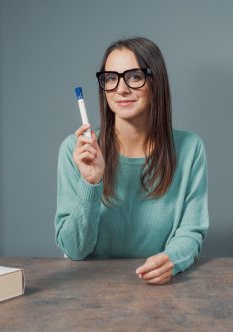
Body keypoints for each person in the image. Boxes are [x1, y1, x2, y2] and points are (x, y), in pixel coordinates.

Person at [55, 37, 209, 285]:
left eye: (134, 76)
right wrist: (91, 183)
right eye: (111, 78)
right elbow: (74, 250)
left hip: (161, 288)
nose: (121, 89)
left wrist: (172, 259)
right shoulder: (76, 151)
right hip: (90, 291)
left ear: (155, 82)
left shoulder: (190, 149)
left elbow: (191, 231)